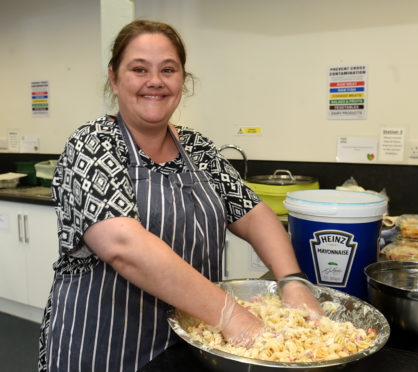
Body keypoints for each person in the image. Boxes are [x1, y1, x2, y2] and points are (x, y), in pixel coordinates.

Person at [38, 19, 322, 372]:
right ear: (114, 78)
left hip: (191, 342)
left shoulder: (198, 148)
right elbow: (123, 245)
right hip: (104, 346)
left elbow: (254, 214)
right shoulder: (93, 145)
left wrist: (292, 281)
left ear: (182, 81)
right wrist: (231, 315)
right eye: (139, 69)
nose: (155, 80)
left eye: (168, 69)